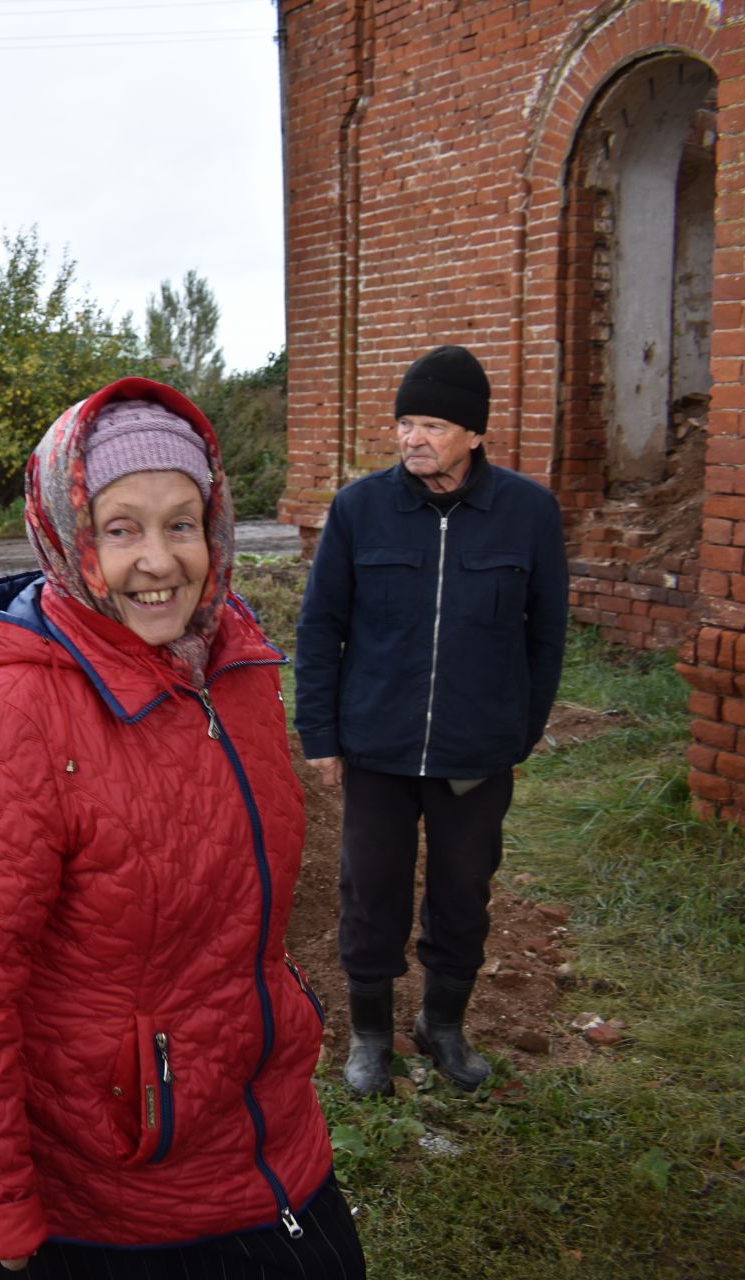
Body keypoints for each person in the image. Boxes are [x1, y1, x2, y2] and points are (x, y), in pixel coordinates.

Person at [0, 378, 363, 1279]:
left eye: (182, 523)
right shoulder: (14, 716)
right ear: (71, 538)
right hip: (115, 1191)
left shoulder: (236, 670)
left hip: (271, 1135)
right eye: (122, 529)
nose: (161, 560)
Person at [295, 345, 568, 1097]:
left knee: (462, 892)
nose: (413, 437)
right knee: (369, 892)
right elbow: (321, 629)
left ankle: (442, 1026)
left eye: (433, 424)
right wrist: (320, 735)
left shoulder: (528, 513)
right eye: (405, 421)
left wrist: (519, 729)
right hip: (376, 747)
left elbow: (545, 635)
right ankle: (372, 1038)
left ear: (475, 435)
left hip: (475, 752)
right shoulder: (358, 509)